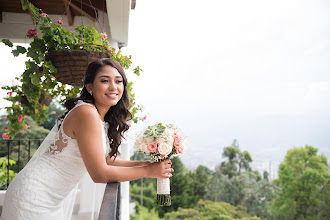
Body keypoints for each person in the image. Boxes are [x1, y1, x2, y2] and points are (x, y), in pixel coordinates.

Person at [1, 58, 173, 219]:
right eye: (105, 80)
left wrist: (148, 165)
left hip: (48, 197)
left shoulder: (97, 116)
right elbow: (99, 173)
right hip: (34, 196)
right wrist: (148, 172)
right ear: (90, 87)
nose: (113, 87)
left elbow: (106, 160)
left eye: (118, 81)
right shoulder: (87, 113)